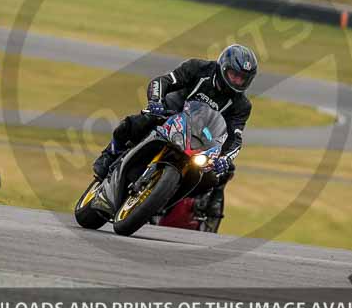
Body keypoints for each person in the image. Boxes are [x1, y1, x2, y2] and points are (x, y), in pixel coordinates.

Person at [93, 44, 258, 219]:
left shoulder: (242, 106)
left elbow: (235, 138)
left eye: (242, 78)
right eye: (234, 74)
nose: (237, 81)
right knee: (134, 123)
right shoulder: (198, 68)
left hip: (200, 140)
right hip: (171, 114)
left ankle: (167, 198)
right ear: (223, 66)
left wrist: (224, 158)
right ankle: (110, 154)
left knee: (214, 177)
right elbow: (162, 81)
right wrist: (155, 101)